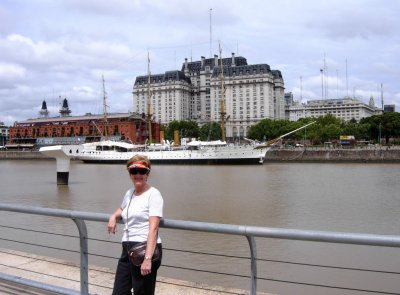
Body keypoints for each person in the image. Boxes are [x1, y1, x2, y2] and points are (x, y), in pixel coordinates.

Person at [107, 154, 163, 295]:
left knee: (142, 292)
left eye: (142, 171)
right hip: (127, 249)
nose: (138, 175)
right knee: (119, 291)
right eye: (134, 171)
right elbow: (122, 209)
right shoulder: (129, 193)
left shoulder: (154, 194)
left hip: (144, 249)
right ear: (129, 174)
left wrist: (148, 259)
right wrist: (113, 216)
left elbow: (154, 228)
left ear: (147, 173)